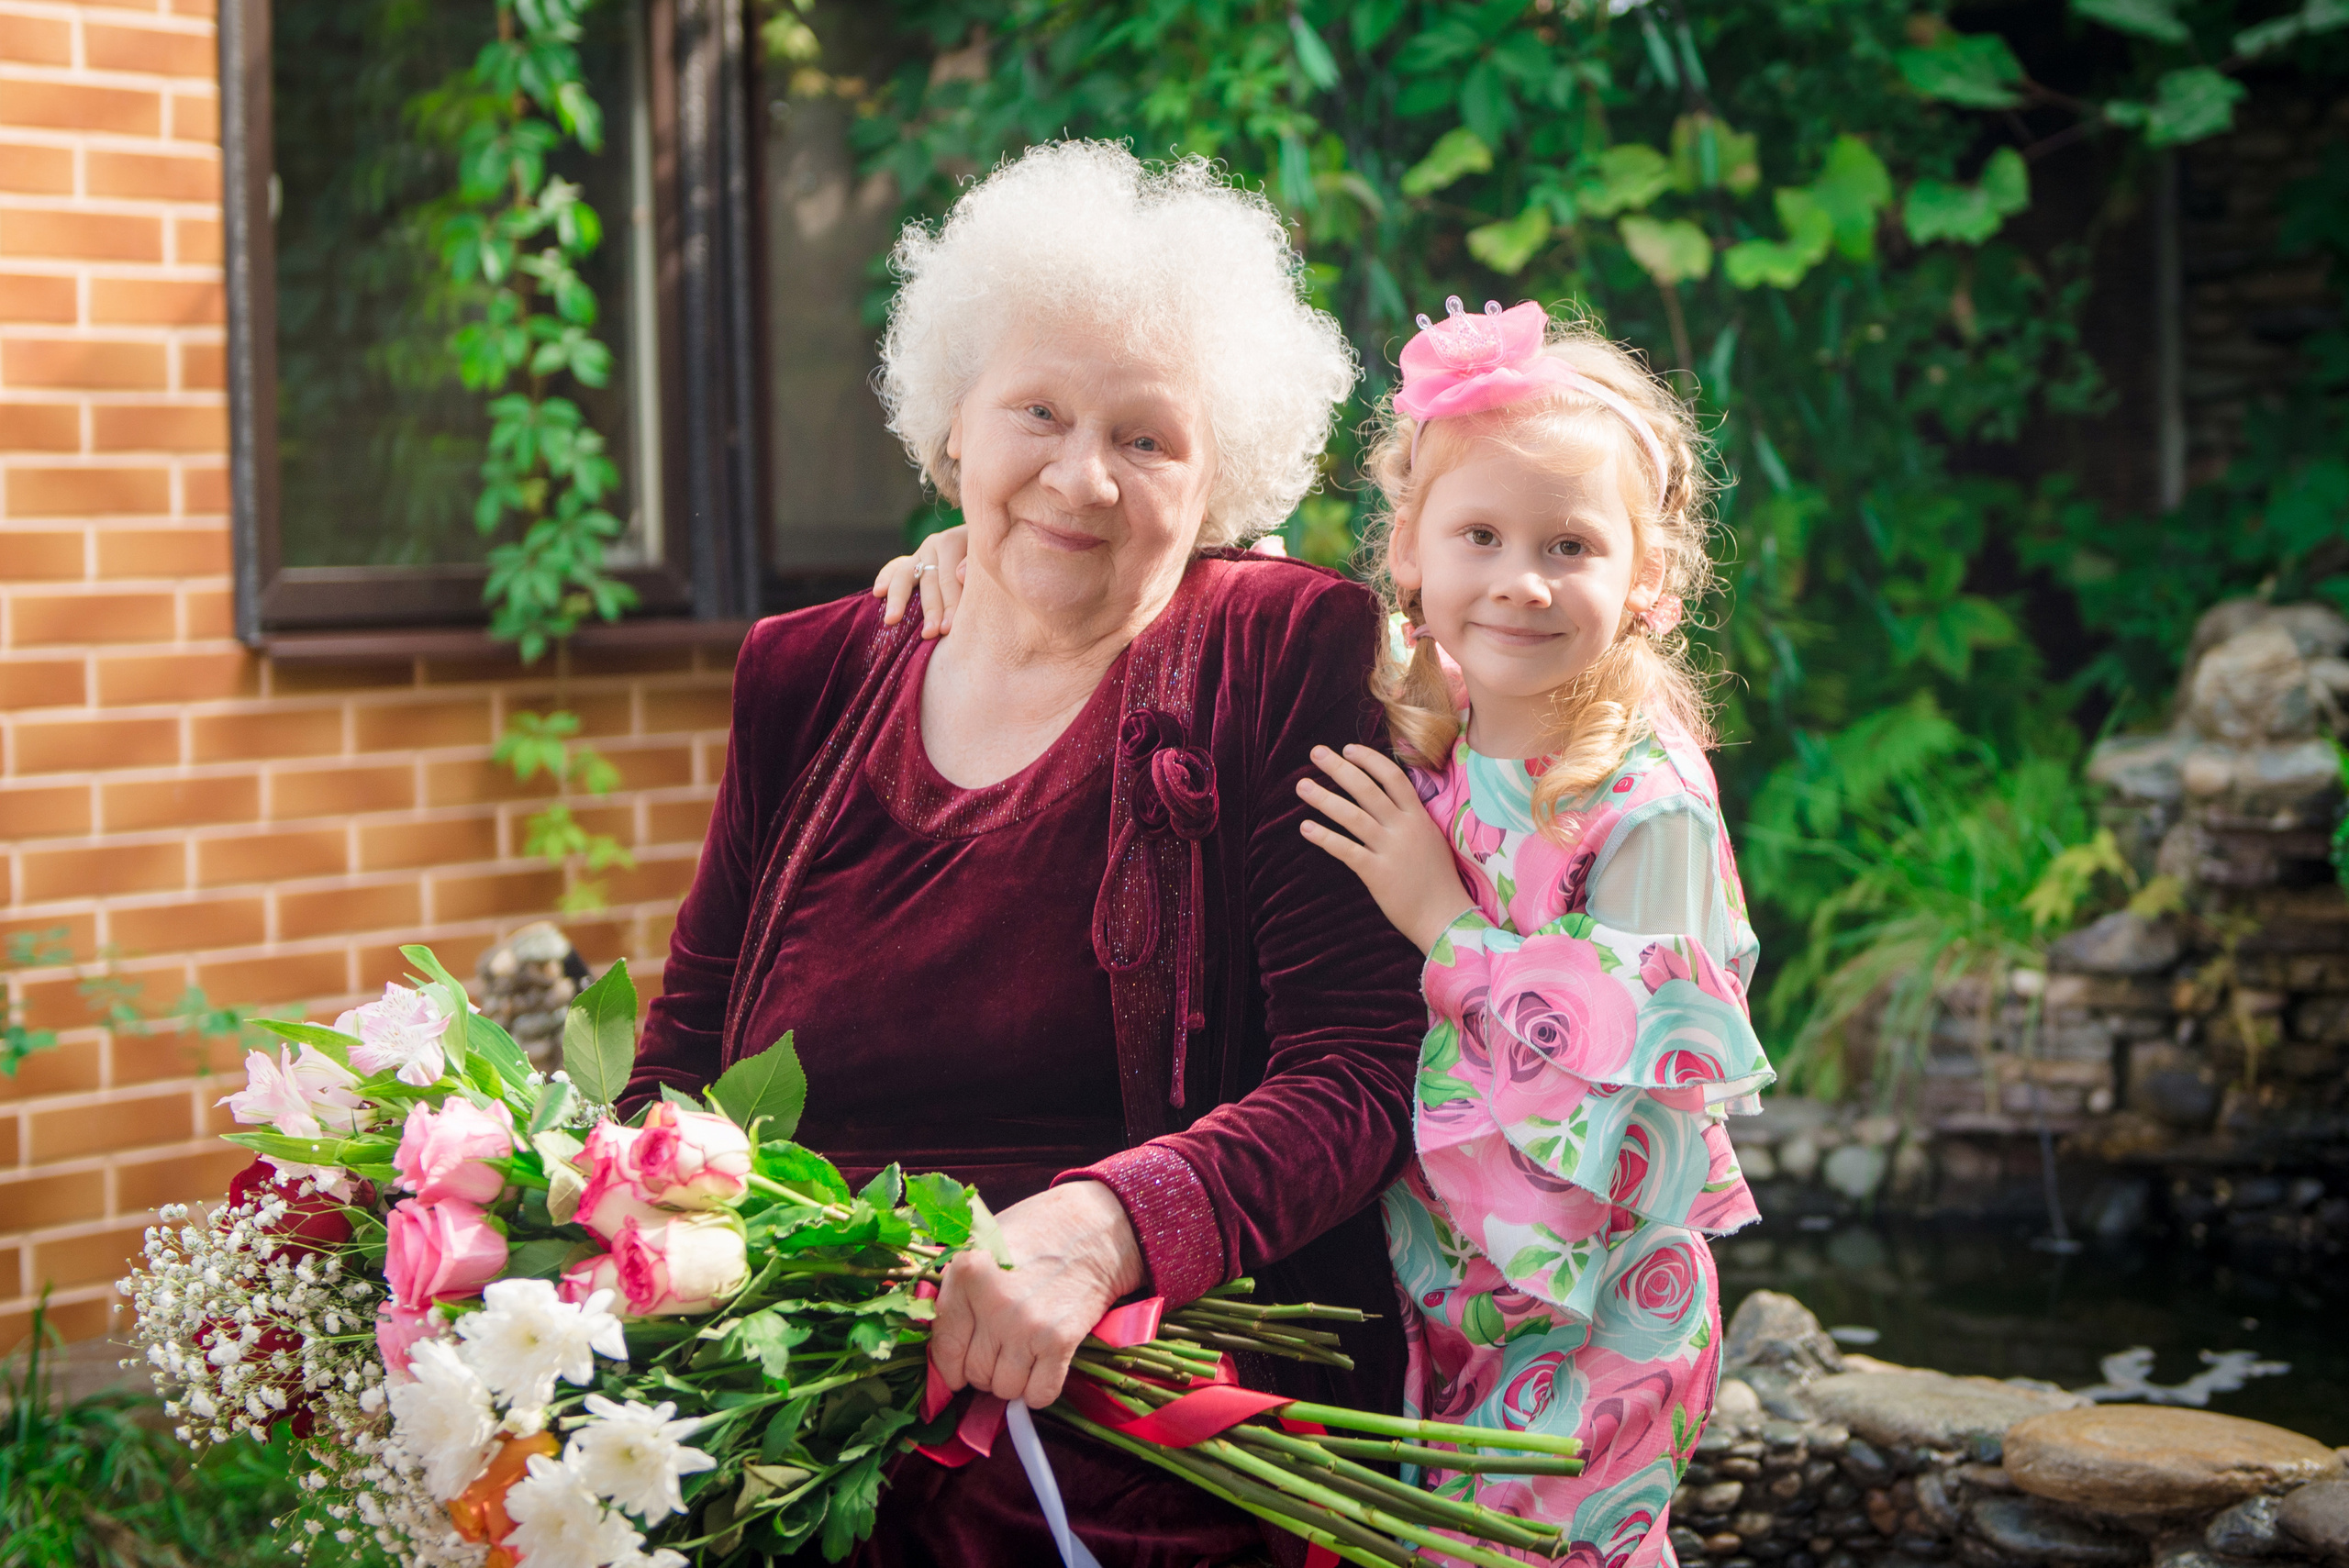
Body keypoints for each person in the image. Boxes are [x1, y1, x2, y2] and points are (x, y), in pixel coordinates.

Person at [625, 140, 1426, 1567]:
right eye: (1037, 411)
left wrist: (1109, 1227)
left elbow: (1360, 1073)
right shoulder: (806, 674)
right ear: (955, 424)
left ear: (1220, 475)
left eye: (1147, 438)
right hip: (784, 1404)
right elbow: (677, 1069)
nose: (1082, 477)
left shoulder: (1280, 653)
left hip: (1125, 1419)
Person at [1294, 298, 1774, 1567]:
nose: (1520, 578)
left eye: (1570, 544)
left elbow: (1628, 1081)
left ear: (1647, 578)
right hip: (1454, 1283)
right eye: (1481, 536)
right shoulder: (1439, 715)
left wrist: (1441, 920)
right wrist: (952, 562)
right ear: (1409, 548)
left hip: (1601, 1310)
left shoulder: (1643, 803)